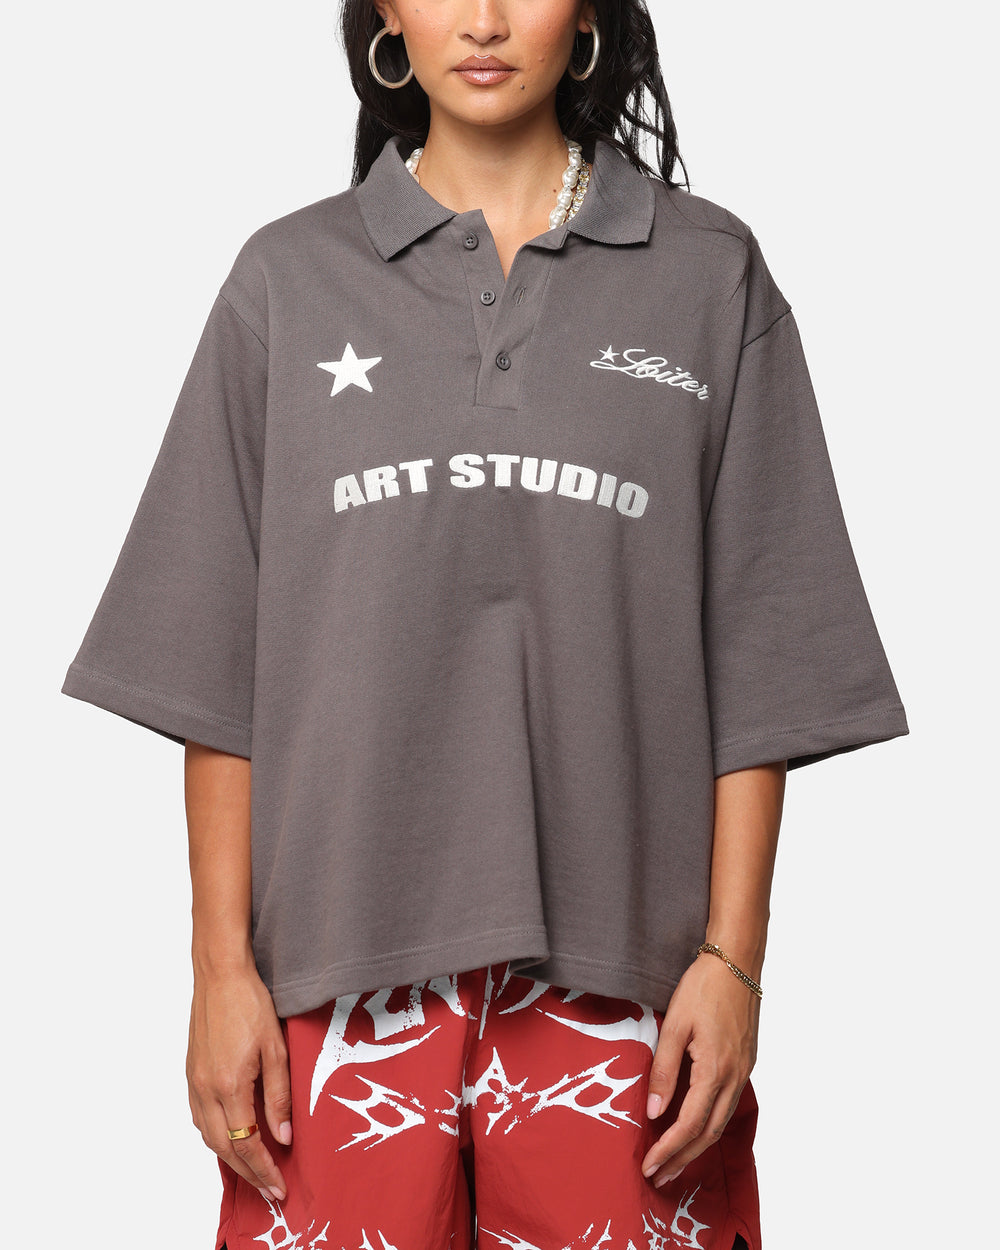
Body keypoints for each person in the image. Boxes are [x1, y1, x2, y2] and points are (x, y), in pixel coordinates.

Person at [60, 1, 909, 1247]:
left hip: (629, 993)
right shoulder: (285, 282)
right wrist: (217, 970)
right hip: (333, 989)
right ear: (386, 17)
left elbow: (765, 661)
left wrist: (733, 966)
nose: (486, 19)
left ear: (591, 16)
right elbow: (212, 672)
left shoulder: (708, 277)